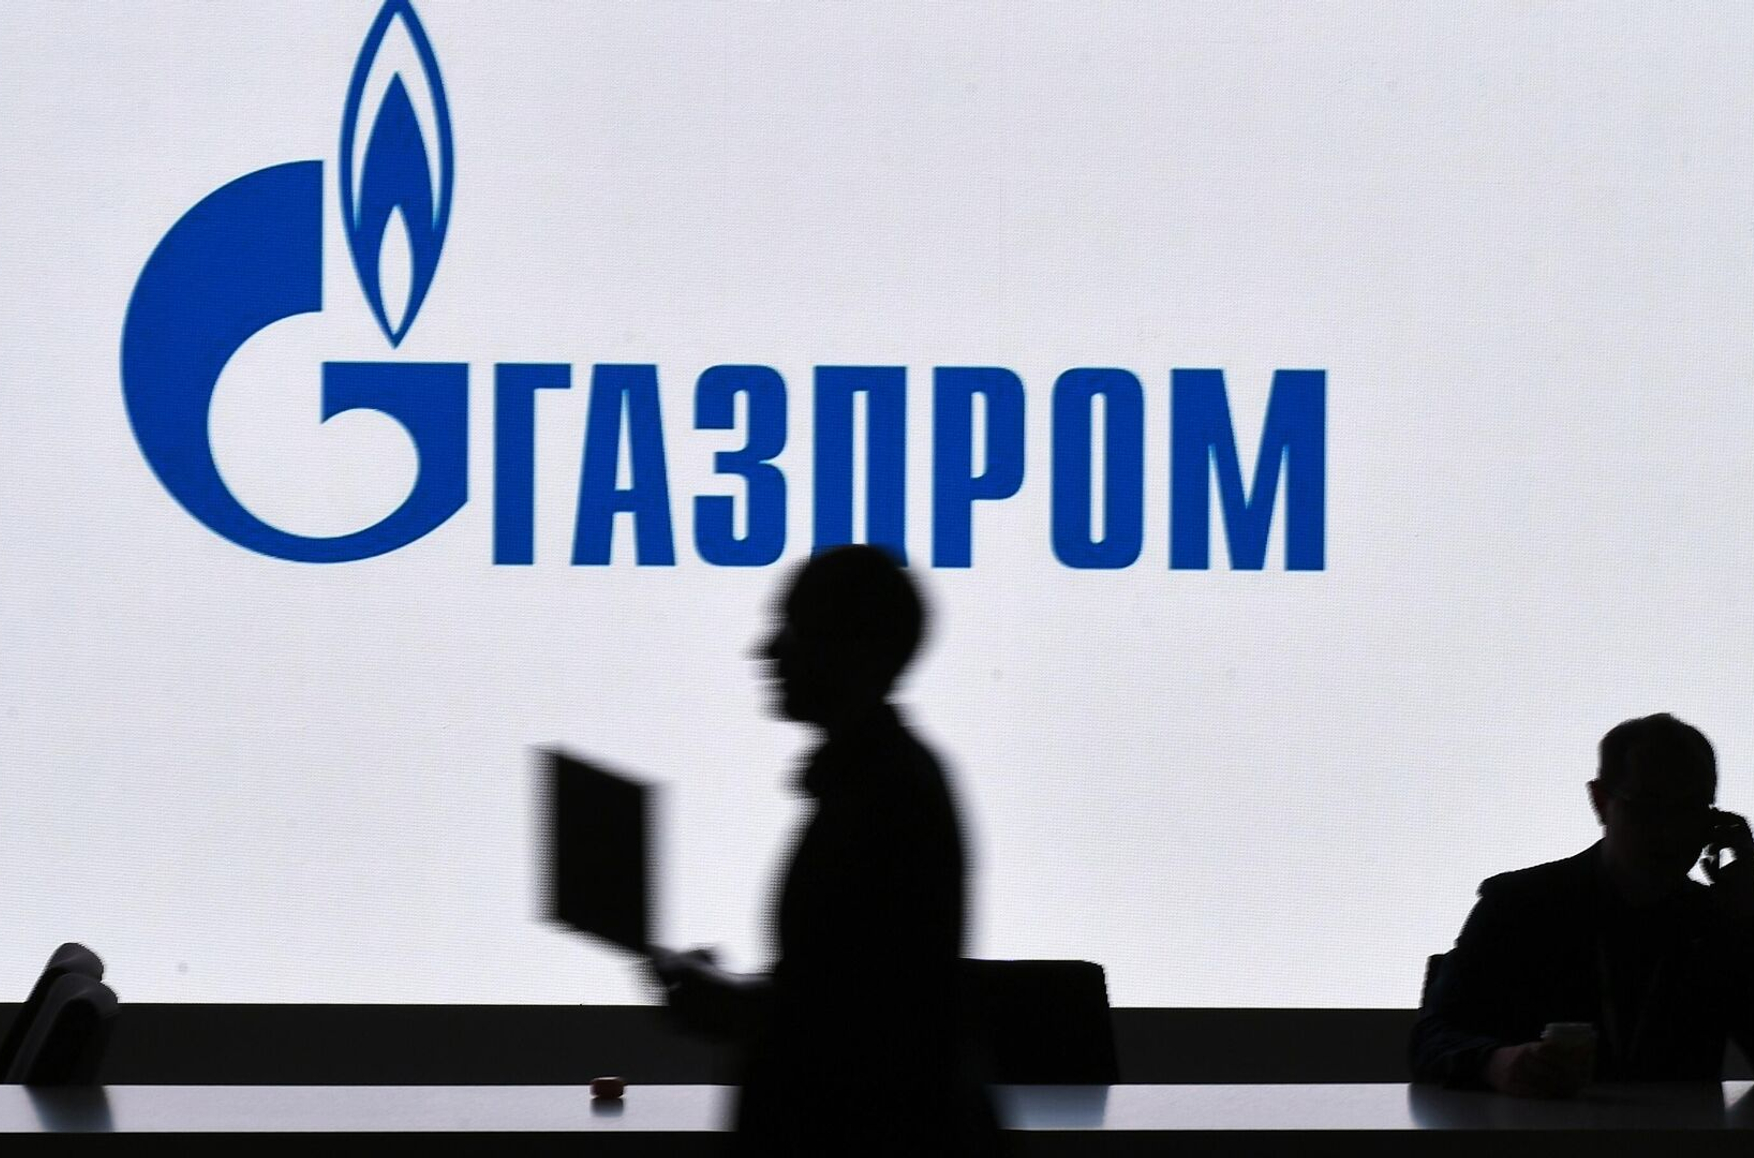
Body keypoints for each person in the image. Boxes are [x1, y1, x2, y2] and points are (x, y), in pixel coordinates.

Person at [648, 545, 1001, 1156]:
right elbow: (853, 991)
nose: (767, 651)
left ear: (853, 647)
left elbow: (860, 1020)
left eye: (793, 628)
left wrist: (734, 1004)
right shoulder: (887, 784)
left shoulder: (884, 796)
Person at [1410, 713, 1754, 1095]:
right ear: (1600, 801)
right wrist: (1496, 1062)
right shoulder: (1519, 906)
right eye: (1649, 807)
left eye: (1690, 809)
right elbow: (1430, 1040)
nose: (1670, 831)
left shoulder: (1720, 923)